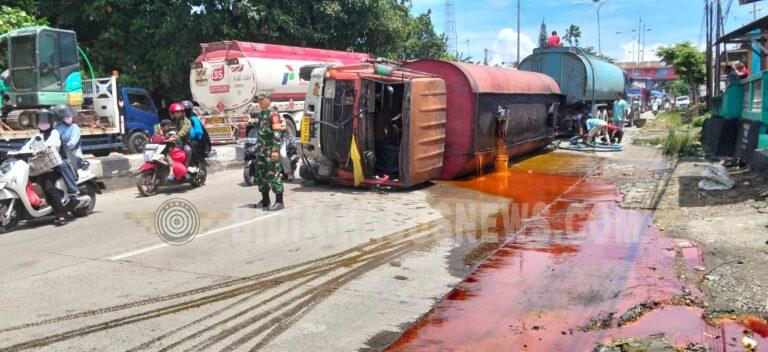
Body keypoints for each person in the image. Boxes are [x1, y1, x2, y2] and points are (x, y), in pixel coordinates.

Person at [22, 109, 67, 225]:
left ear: (51, 122)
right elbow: (27, 145)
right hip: (39, 167)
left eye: (45, 121)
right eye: (40, 121)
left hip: (54, 167)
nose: (42, 123)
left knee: (48, 187)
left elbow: (51, 144)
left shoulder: (54, 133)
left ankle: (61, 214)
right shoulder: (37, 135)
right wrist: (20, 151)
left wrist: (38, 150)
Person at [252, 91, 285, 211]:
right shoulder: (261, 115)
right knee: (260, 176)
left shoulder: (273, 114)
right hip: (261, 150)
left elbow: (277, 133)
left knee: (273, 174)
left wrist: (275, 150)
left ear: (269, 100)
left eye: (262, 99)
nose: (260, 102)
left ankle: (279, 202)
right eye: (258, 100)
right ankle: (265, 200)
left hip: (271, 150)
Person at [52, 104, 82, 195]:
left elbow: (72, 143)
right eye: (67, 117)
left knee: (62, 164)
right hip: (58, 156)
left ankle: (73, 188)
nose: (70, 118)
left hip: (74, 157)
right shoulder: (55, 128)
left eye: (70, 116)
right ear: (60, 117)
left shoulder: (74, 127)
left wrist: (60, 146)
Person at [170, 100, 206, 172]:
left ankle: (190, 166)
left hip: (186, 141)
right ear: (172, 113)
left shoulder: (188, 121)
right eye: (176, 112)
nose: (178, 114)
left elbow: (184, 130)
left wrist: (176, 136)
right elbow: (164, 130)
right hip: (174, 142)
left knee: (189, 149)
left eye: (180, 112)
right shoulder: (170, 122)